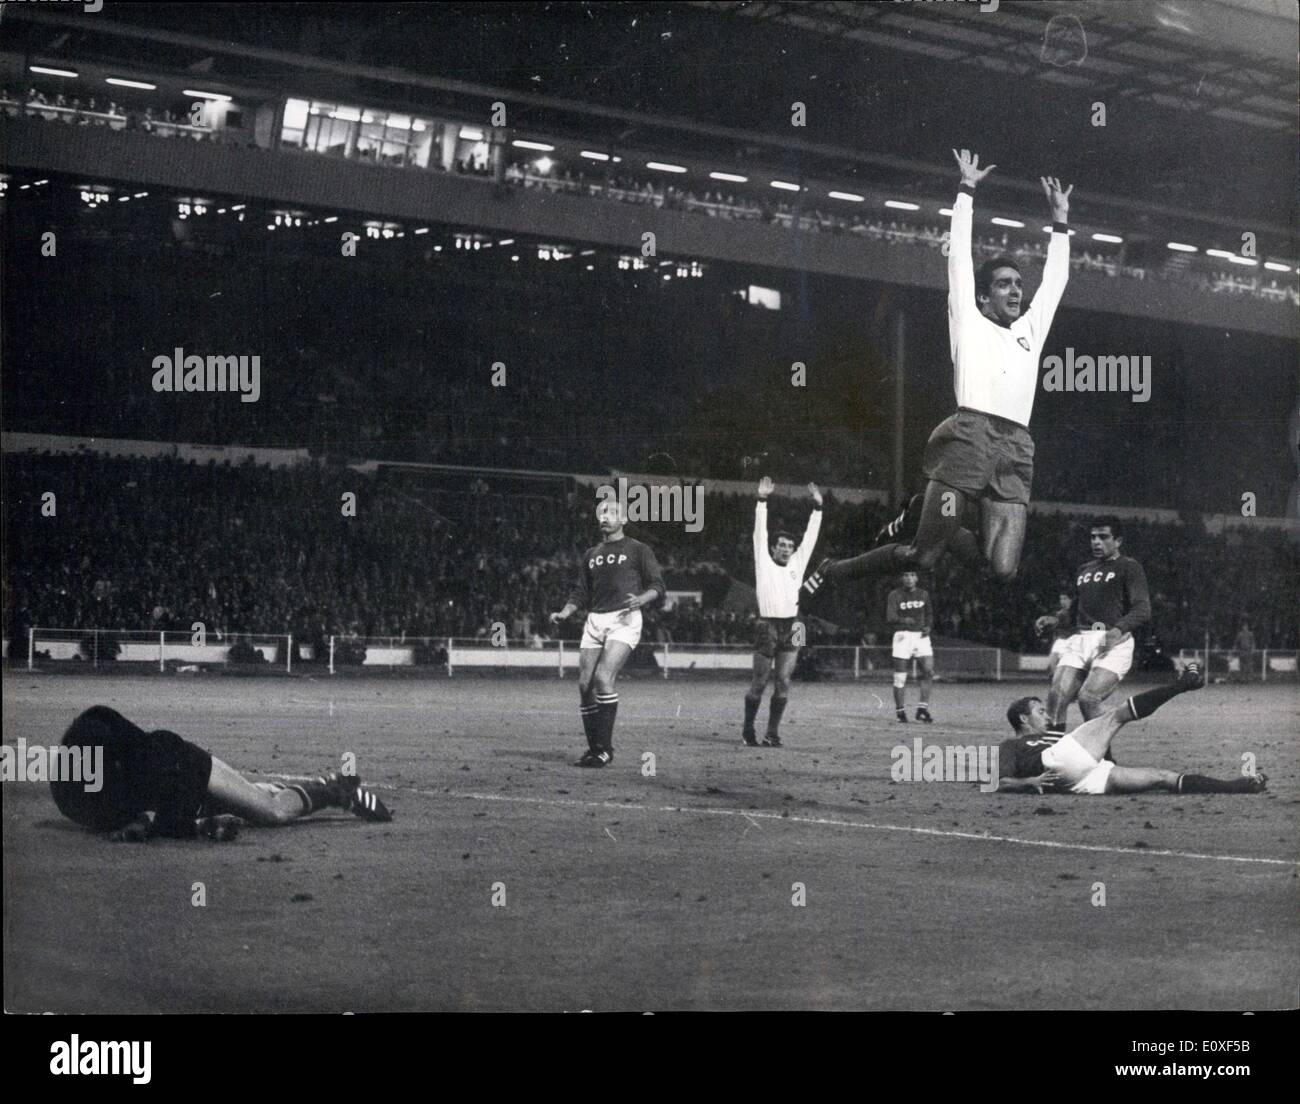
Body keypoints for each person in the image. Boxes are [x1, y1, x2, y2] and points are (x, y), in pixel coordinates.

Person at [804, 149, 1072, 599]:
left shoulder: (1030, 329)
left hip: (1016, 447)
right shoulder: (968, 317)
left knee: (1002, 569)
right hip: (969, 437)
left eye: (1018, 284)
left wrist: (1060, 221)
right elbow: (960, 261)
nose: (1015, 290)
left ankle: (920, 513)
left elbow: (1056, 280)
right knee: (923, 558)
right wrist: (966, 191)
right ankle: (837, 569)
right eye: (1004, 284)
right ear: (984, 296)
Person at [49, 705, 391, 842]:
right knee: (240, 798)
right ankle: (278, 792)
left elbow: (163, 811)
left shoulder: (133, 768)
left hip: (183, 766)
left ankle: (331, 791)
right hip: (160, 780)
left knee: (271, 813)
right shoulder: (74, 796)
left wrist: (189, 827)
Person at [996, 664, 1267, 795]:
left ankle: (1239, 786)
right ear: (1022, 719)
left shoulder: (1051, 735)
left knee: (1162, 777)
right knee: (1115, 716)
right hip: (1058, 763)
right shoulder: (1011, 746)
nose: (1046, 715)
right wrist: (1029, 782)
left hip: (1084, 780)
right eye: (1039, 711)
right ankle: (1183, 683)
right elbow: (999, 782)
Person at [550, 498, 665, 767]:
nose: (606, 516)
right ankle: (595, 749)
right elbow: (581, 591)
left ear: (624, 519)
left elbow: (658, 585)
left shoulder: (638, 549)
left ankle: (605, 750)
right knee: (584, 685)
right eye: (602, 511)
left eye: (613, 512)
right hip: (595, 620)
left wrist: (641, 599)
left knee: (603, 678)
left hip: (624, 619)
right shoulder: (591, 553)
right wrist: (565, 612)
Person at [1045, 518, 1151, 745]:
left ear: (1118, 540)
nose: (1096, 542)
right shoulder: (1084, 569)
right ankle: (1047, 755)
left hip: (1114, 641)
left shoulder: (1129, 567)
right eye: (1093, 537)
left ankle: (1105, 762)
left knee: (1088, 698)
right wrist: (1055, 619)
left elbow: (1143, 609)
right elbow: (1075, 610)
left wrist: (1115, 632)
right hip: (1081, 639)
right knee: (1056, 696)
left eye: (1103, 537)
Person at [742, 477, 822, 747]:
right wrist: (762, 501)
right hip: (767, 625)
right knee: (759, 682)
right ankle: (748, 728)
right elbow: (759, 532)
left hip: (795, 626)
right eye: (782, 546)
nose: (787, 549)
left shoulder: (797, 564)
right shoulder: (763, 561)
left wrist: (818, 508)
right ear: (774, 548)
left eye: (790, 546)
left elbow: (810, 539)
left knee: (785, 681)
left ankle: (772, 733)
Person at [887, 571, 935, 723]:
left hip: (921, 637)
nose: (909, 578)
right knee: (900, 676)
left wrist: (928, 627)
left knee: (928, 671)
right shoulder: (894, 595)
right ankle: (900, 712)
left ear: (917, 578)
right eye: (906, 575)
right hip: (903, 636)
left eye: (912, 575)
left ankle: (922, 709)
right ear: (902, 578)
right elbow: (890, 617)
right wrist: (904, 620)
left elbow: (929, 614)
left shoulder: (923, 594)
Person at [1035, 591, 1075, 678]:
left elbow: (1058, 621)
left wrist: (1046, 619)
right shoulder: (1060, 613)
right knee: (1052, 665)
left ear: (1071, 600)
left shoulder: (1076, 612)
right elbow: (1056, 623)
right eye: (1061, 599)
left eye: (1065, 598)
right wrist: (1044, 625)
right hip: (1061, 641)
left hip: (1074, 642)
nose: (1062, 601)